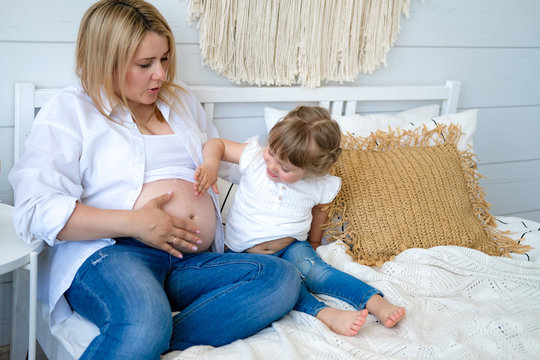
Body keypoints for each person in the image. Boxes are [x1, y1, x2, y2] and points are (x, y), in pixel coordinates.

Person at [8, 1, 300, 358]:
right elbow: (35, 211)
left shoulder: (181, 102)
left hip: (189, 261)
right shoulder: (70, 111)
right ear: (106, 61)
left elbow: (227, 165)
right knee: (144, 320)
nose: (161, 75)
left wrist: (292, 168)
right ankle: (147, 329)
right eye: (145, 64)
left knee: (279, 277)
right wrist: (136, 223)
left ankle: (156, 336)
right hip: (112, 255)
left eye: (164, 59)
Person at [194, 106, 406, 336]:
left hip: (291, 248)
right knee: (278, 285)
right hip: (243, 254)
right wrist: (210, 164)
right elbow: (218, 145)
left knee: (319, 273)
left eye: (285, 167)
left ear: (310, 170)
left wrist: (314, 243)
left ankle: (375, 301)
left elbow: (320, 211)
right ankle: (325, 313)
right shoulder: (254, 158)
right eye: (272, 153)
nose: (273, 166)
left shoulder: (318, 184)